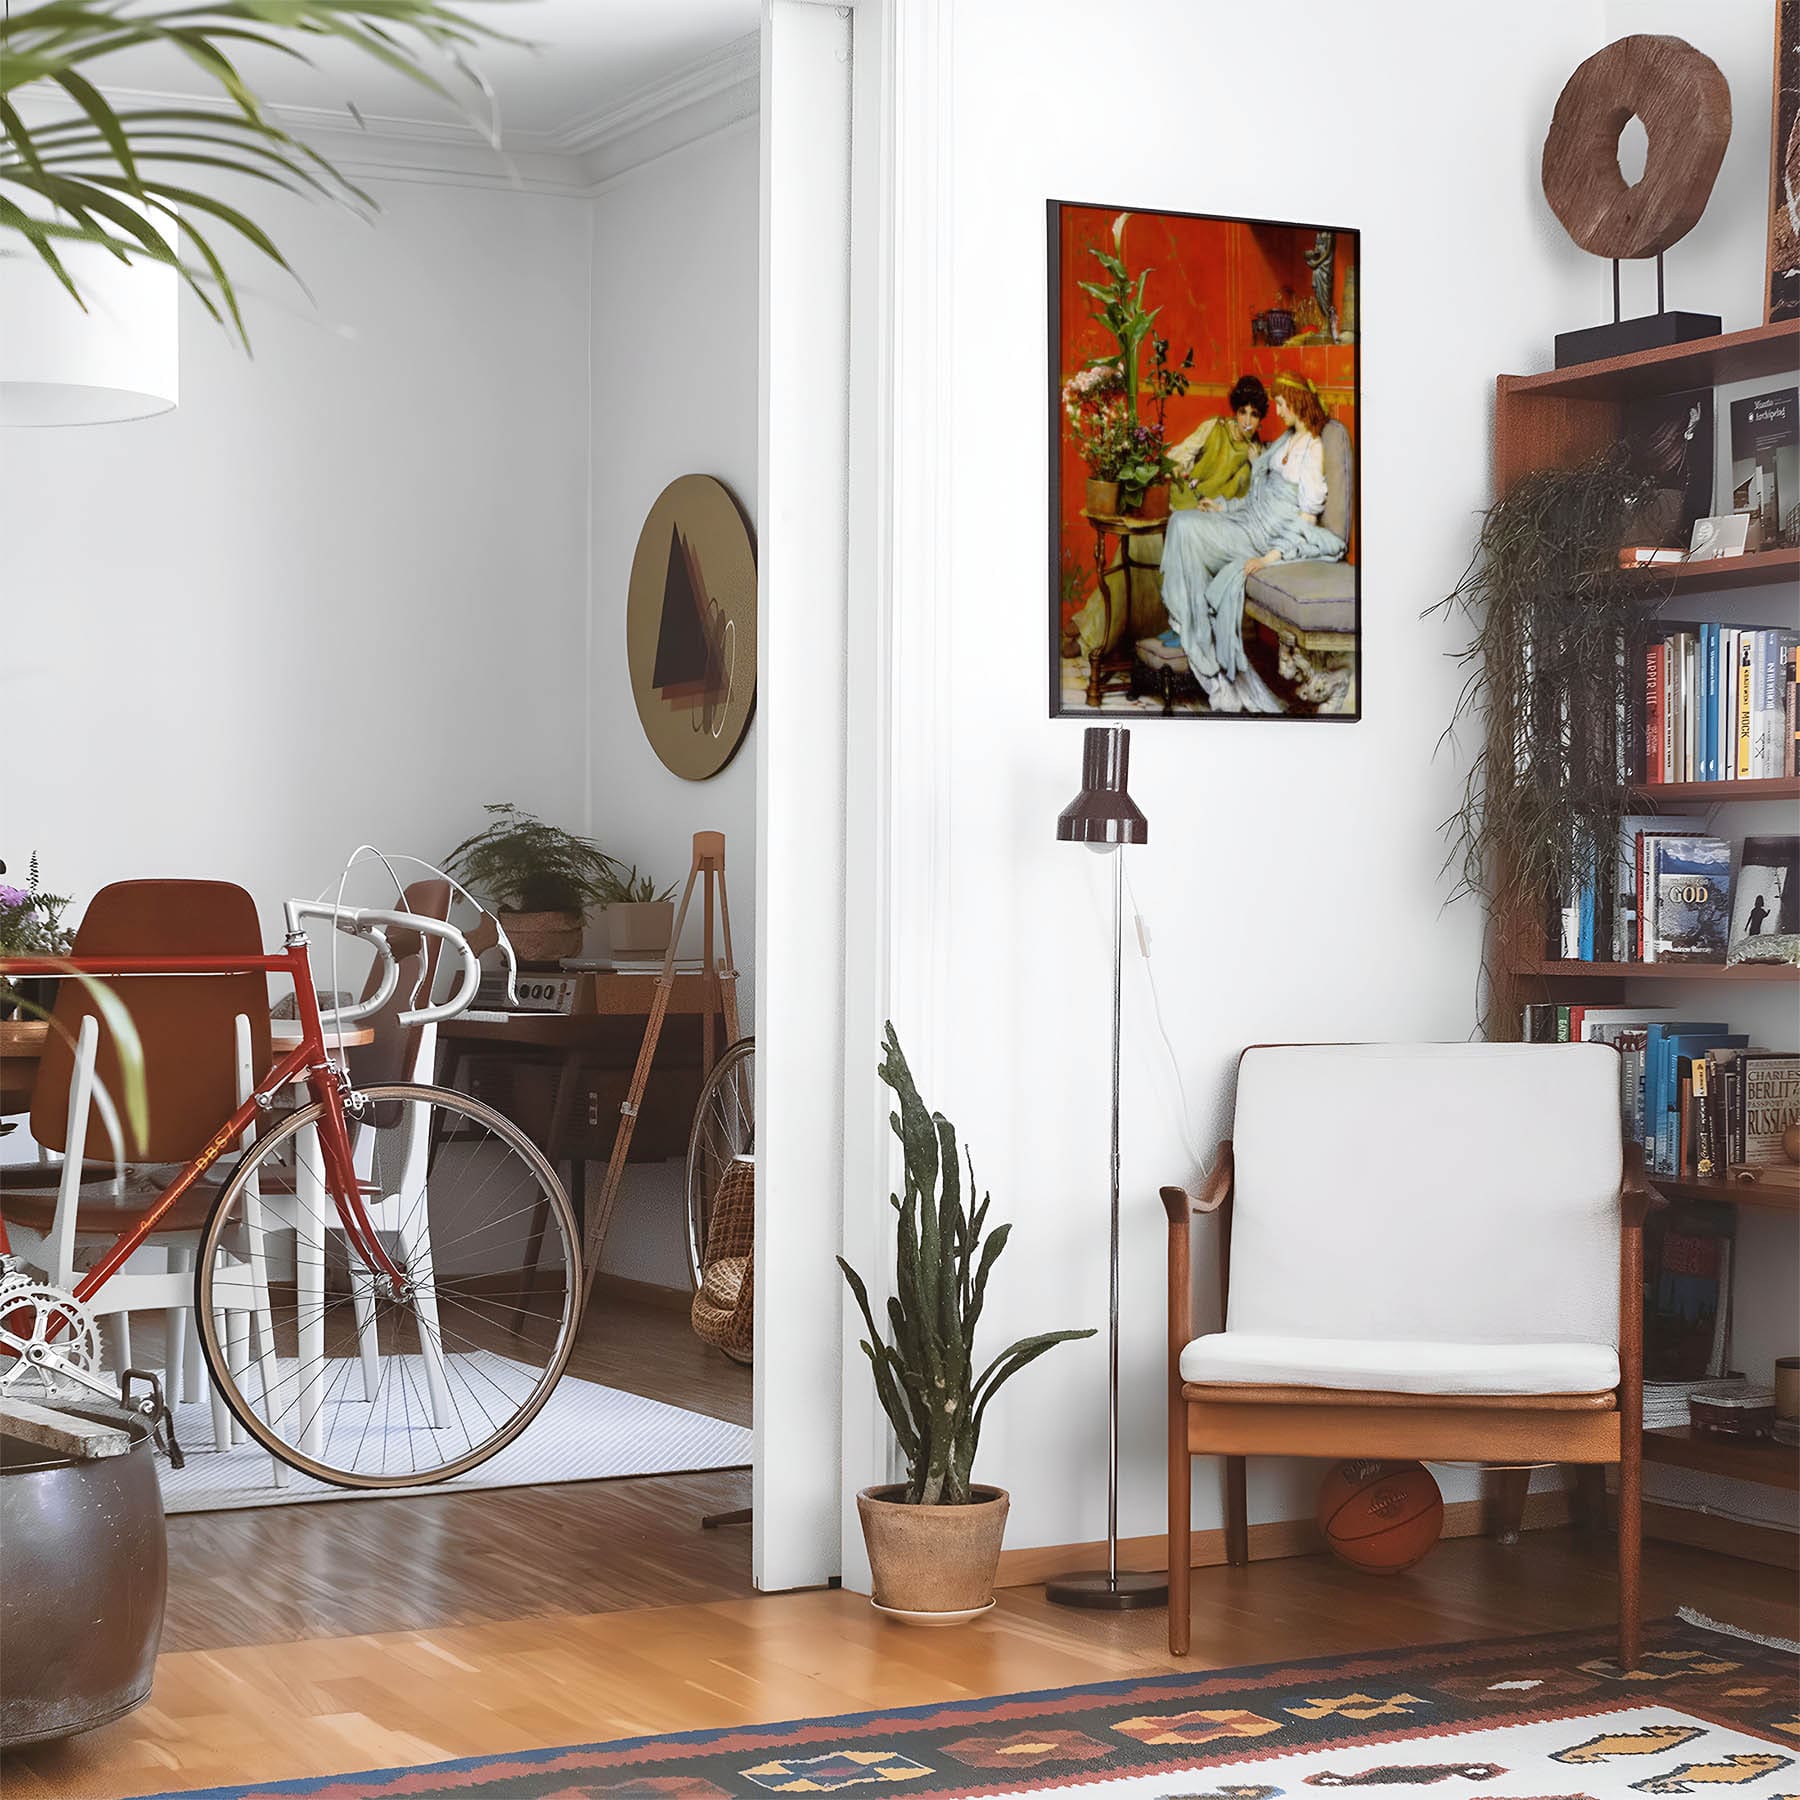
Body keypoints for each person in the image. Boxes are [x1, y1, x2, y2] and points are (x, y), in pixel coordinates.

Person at [1151, 370, 1346, 713]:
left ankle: (1201, 647)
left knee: (1184, 526)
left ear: (1298, 403)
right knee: (1184, 520)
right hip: (1248, 520)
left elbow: (1306, 519)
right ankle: (1194, 631)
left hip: (1266, 536)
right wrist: (1224, 506)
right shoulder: (1287, 440)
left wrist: (1271, 557)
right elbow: (1258, 498)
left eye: (1282, 404)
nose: (1279, 411)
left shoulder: (1313, 449)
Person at [1167, 375, 1269, 505]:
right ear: (1235, 413)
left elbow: (1263, 494)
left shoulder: (1257, 450)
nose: (1247, 422)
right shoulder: (1214, 427)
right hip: (1192, 496)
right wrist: (1179, 465)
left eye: (1254, 415)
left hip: (1221, 512)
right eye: (1243, 412)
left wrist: (1256, 464)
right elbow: (1182, 454)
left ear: (1260, 420)